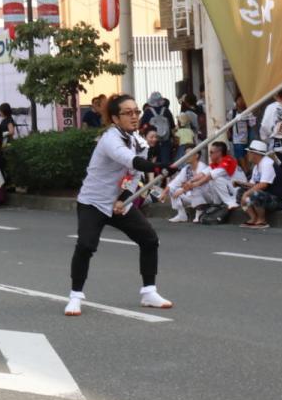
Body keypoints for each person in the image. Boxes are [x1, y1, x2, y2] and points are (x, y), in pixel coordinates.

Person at [65, 94, 171, 317]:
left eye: (136, 112)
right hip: (93, 201)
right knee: (86, 245)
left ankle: (149, 292)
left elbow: (134, 175)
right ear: (115, 118)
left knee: (149, 239)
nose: (134, 116)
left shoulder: (139, 142)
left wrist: (124, 198)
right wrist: (159, 167)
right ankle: (75, 296)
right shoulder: (110, 139)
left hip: (117, 203)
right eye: (128, 113)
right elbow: (128, 159)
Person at [238, 140, 282, 227]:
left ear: (256, 154)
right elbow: (253, 185)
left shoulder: (267, 163)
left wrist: (246, 194)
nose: (247, 154)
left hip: (276, 200)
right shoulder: (256, 166)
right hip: (266, 196)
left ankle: (262, 220)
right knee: (240, 192)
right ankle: (253, 218)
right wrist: (241, 184)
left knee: (254, 194)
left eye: (249, 152)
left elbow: (263, 185)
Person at [162, 149, 210, 223]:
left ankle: (199, 213)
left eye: (188, 154)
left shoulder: (202, 166)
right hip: (192, 195)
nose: (186, 156)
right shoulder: (186, 168)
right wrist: (163, 193)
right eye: (185, 154)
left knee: (194, 187)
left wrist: (182, 190)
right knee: (173, 189)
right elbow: (175, 182)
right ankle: (182, 215)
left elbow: (197, 183)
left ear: (196, 156)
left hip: (207, 196)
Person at [206, 140, 245, 211]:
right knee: (210, 178)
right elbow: (202, 174)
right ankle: (217, 203)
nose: (209, 154)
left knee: (215, 179)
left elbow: (209, 176)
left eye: (211, 152)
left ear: (219, 153)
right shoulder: (216, 163)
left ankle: (231, 202)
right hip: (233, 188)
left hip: (240, 191)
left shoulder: (228, 161)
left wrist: (194, 184)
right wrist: (191, 183)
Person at [140, 91, 175, 167]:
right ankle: (165, 174)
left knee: (152, 164)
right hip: (165, 141)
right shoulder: (167, 111)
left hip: (152, 142)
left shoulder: (147, 112)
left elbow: (142, 127)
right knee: (165, 163)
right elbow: (172, 127)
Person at [227, 94, 257, 169]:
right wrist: (228, 132)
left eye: (242, 100)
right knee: (240, 155)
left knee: (245, 154)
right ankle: (246, 171)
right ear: (236, 101)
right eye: (239, 100)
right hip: (236, 139)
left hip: (246, 138)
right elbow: (228, 123)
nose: (241, 101)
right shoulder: (232, 112)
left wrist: (249, 117)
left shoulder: (248, 112)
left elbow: (252, 124)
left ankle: (247, 170)